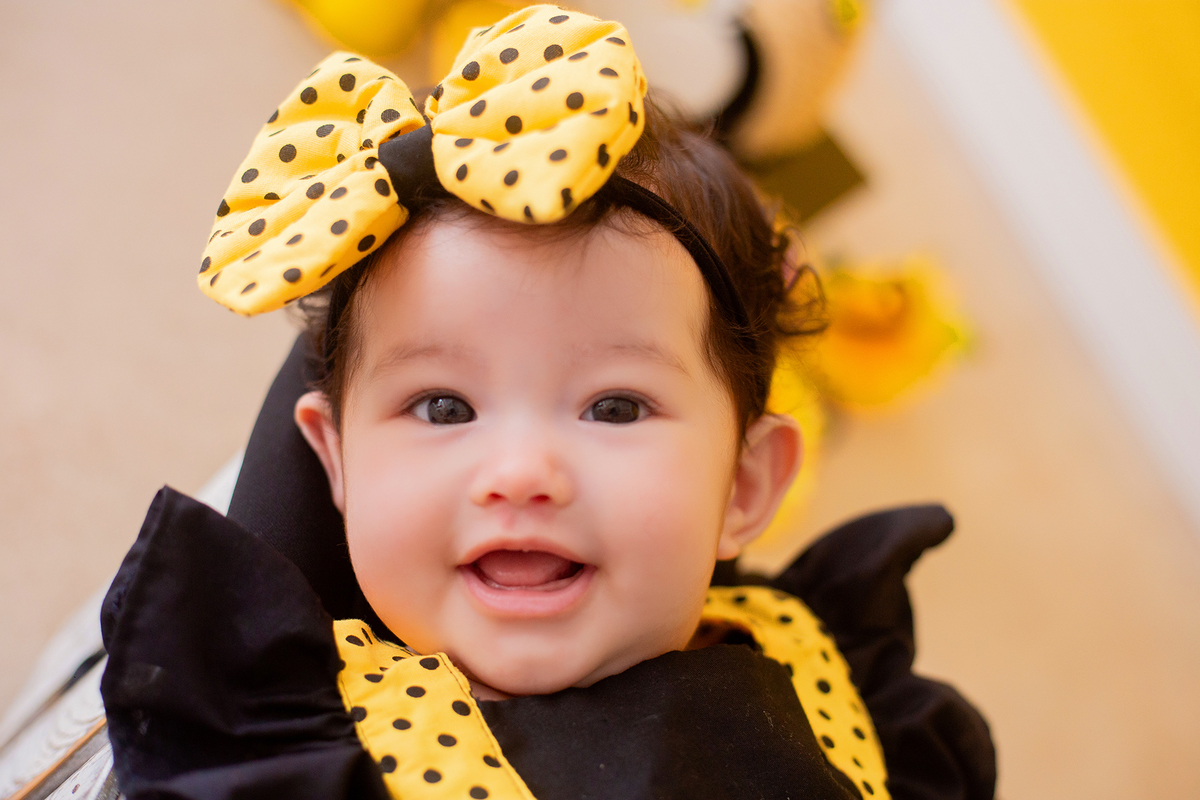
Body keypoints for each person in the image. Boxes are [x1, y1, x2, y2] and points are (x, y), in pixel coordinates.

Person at [99, 5, 996, 799]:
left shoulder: (830, 669)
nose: (523, 472)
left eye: (615, 408)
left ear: (745, 485)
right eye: (443, 408)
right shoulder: (303, 745)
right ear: (335, 462)